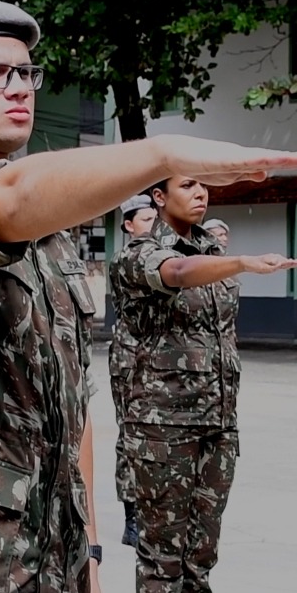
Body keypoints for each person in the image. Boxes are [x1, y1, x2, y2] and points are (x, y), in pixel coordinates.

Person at [0, 0, 297, 593]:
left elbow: (73, 396)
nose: (17, 88)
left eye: (25, 72)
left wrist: (87, 545)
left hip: (45, 564)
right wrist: (164, 152)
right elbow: (11, 197)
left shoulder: (54, 229)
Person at [116, 175, 297, 593]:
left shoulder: (213, 252)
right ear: (159, 197)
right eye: (188, 185)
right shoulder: (141, 252)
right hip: (164, 426)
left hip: (218, 421)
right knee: (163, 554)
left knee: (201, 553)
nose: (201, 194)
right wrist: (243, 261)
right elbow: (176, 273)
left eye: (205, 186)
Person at [108, 194, 158, 548]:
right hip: (130, 356)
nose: (152, 226)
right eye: (145, 220)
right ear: (128, 225)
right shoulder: (127, 259)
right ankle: (132, 517)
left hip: (155, 356)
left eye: (155, 219)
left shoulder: (159, 254)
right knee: (130, 436)